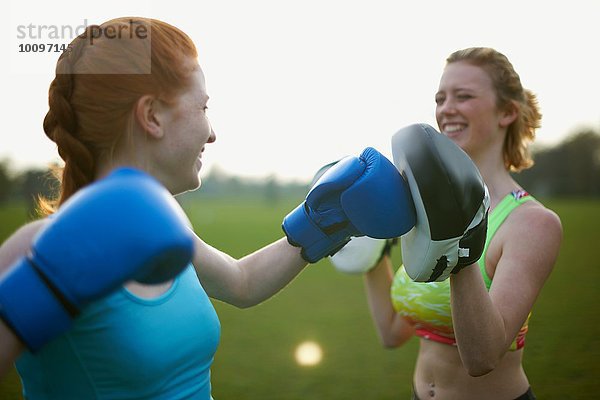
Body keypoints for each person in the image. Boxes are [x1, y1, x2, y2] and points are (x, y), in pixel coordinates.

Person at [0, 17, 415, 399]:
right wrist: (44, 284)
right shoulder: (34, 248)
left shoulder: (164, 226)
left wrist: (325, 219)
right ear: (152, 116)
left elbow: (240, 282)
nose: (212, 132)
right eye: (203, 107)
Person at [334, 47, 563, 399]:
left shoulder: (532, 224)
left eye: (464, 96)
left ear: (507, 112)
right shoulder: (425, 208)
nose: (446, 109)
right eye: (440, 98)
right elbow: (393, 333)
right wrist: (372, 250)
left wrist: (460, 239)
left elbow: (482, 357)